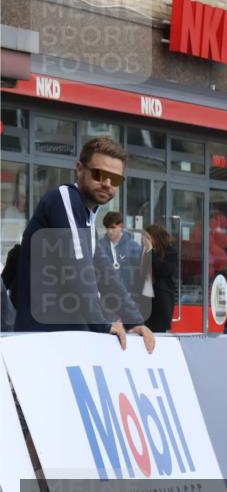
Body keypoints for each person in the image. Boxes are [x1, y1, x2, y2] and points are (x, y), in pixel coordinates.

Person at [12, 136, 154, 352]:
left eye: (115, 179)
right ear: (80, 169)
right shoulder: (65, 198)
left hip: (68, 340)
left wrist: (135, 321)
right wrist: (103, 323)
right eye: (99, 174)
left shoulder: (87, 218)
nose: (107, 184)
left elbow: (106, 274)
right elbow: (78, 269)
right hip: (42, 341)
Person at [96, 211, 143, 307]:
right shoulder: (99, 246)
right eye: (107, 228)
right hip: (105, 298)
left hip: (128, 297)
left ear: (121, 226)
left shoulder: (133, 246)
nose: (109, 231)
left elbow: (139, 274)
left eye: (113, 227)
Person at [140, 224, 178, 333]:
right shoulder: (143, 251)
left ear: (155, 237)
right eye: (144, 237)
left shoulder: (170, 252)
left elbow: (164, 270)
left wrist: (151, 251)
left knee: (157, 333)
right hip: (144, 301)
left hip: (160, 301)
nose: (144, 240)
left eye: (147, 237)